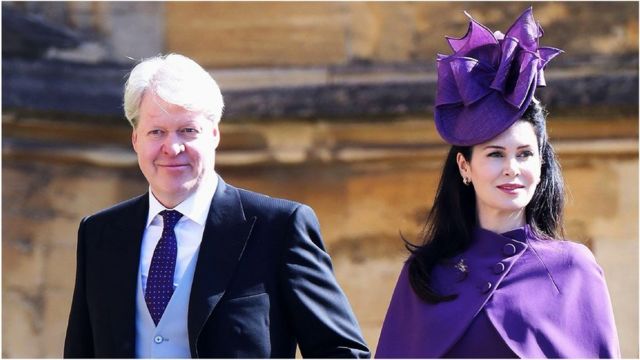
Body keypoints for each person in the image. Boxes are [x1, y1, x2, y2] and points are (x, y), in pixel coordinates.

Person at [64, 53, 370, 358]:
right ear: (135, 140)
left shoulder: (278, 227)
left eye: (188, 130)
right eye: (156, 132)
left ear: (213, 134)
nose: (172, 148)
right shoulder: (99, 234)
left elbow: (343, 352)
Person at [376, 7, 620, 358]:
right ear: (464, 166)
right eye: (494, 154)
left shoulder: (574, 267)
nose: (511, 168)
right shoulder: (425, 273)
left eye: (524, 154)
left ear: (541, 163)